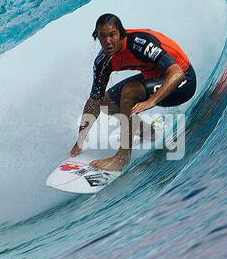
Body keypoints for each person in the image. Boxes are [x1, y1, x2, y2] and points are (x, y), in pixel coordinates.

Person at [71, 12, 196, 172]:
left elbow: (177, 73)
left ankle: (121, 158)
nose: (108, 41)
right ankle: (147, 132)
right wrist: (80, 141)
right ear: (97, 37)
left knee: (129, 92)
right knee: (106, 102)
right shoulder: (103, 61)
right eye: (103, 36)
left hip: (183, 82)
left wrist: (152, 101)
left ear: (121, 33)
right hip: (156, 78)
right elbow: (94, 102)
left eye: (112, 35)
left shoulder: (140, 43)